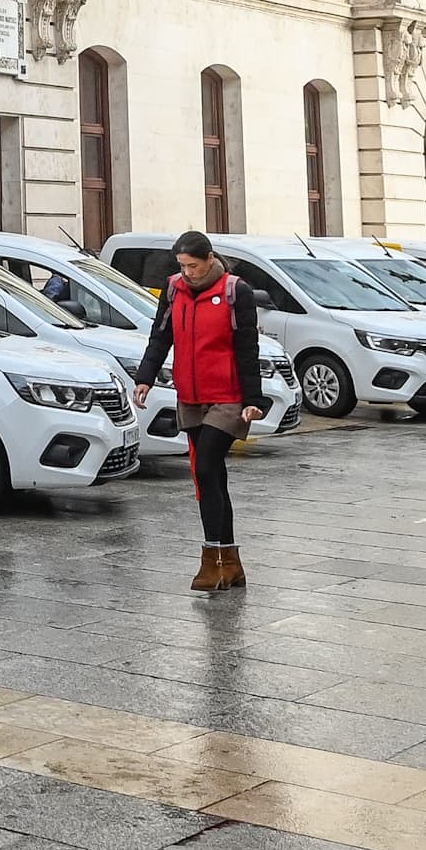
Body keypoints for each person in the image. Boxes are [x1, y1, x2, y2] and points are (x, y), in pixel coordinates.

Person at [131, 230, 267, 593]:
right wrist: (145, 377)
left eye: (193, 265)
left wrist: (255, 398)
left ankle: (212, 559)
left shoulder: (235, 291)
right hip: (191, 395)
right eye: (182, 266)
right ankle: (229, 562)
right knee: (210, 476)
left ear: (210, 259)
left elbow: (247, 348)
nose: (188, 272)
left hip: (228, 397)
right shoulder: (173, 288)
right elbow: (161, 336)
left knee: (206, 466)